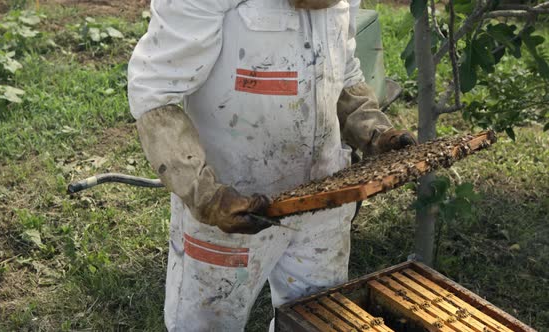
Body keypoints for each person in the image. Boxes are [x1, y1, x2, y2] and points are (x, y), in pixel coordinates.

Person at [128, 0, 416, 330]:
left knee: (315, 320)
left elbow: (343, 69)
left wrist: (371, 128)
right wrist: (206, 196)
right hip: (233, 204)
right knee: (207, 324)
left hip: (324, 200)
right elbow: (155, 93)